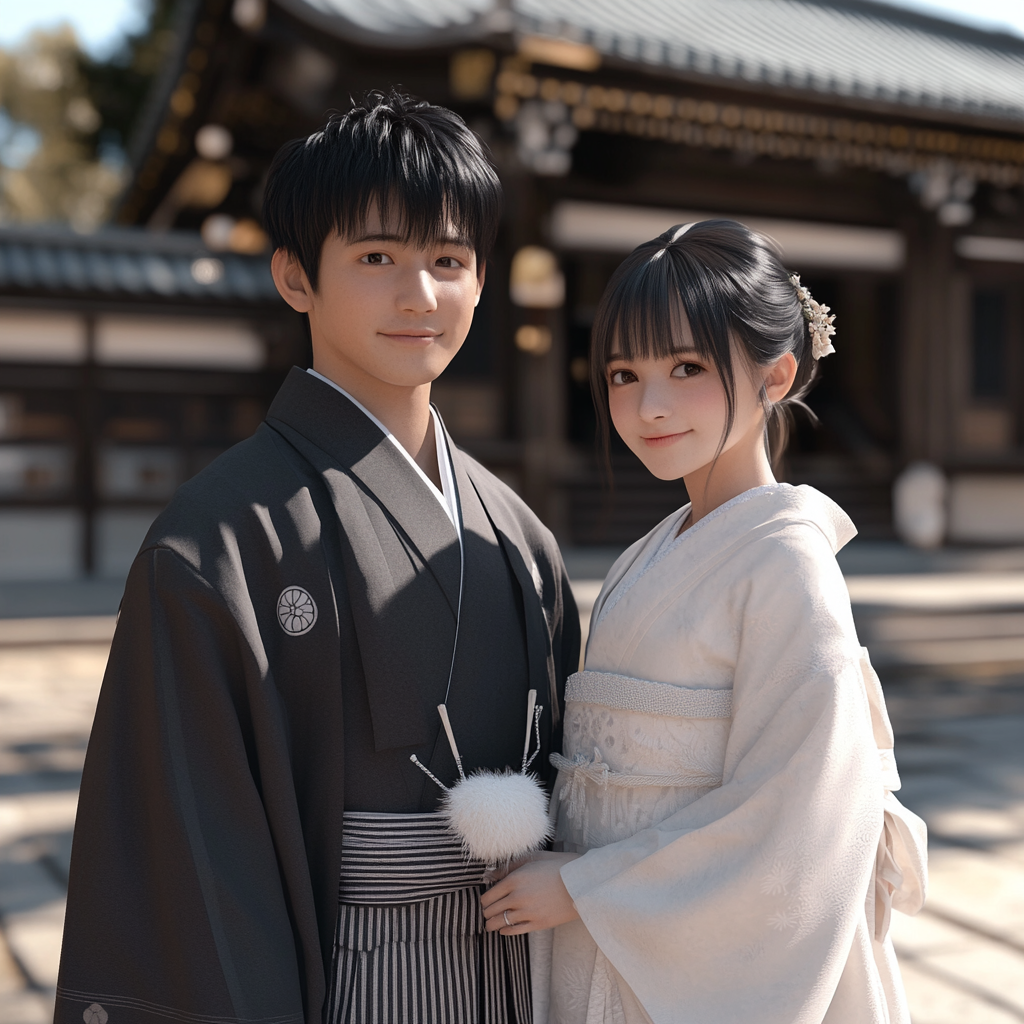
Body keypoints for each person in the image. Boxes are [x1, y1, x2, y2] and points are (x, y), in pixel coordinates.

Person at [56, 90, 579, 1024]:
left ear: (482, 279)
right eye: (377, 258)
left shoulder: (517, 535)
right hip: (344, 979)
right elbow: (193, 855)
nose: (420, 296)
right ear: (296, 277)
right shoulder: (217, 539)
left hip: (527, 966)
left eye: (448, 261)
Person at [481, 220, 927, 1024]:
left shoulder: (786, 564)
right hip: (622, 937)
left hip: (685, 953)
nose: (648, 406)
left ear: (776, 375)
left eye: (686, 367)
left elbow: (797, 813)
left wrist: (587, 887)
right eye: (623, 373)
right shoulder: (655, 549)